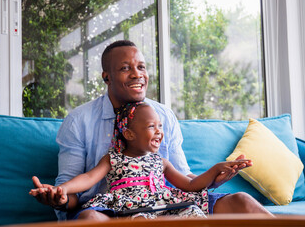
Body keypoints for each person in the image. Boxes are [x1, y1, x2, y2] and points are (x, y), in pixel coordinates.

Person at [31, 40, 272, 221]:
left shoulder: (164, 116)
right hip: (107, 210)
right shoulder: (78, 122)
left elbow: (185, 180)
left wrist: (213, 178)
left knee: (241, 201)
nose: (137, 74)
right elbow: (76, 186)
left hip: (164, 203)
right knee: (90, 219)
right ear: (107, 77)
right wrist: (59, 196)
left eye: (141, 67)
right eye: (126, 68)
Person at [30, 102, 253, 219]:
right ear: (128, 134)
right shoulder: (112, 158)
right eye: (150, 127)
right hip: (128, 207)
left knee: (192, 213)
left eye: (160, 126)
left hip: (162, 205)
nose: (159, 132)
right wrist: (61, 189)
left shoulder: (162, 161)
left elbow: (191, 185)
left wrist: (215, 170)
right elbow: (88, 179)